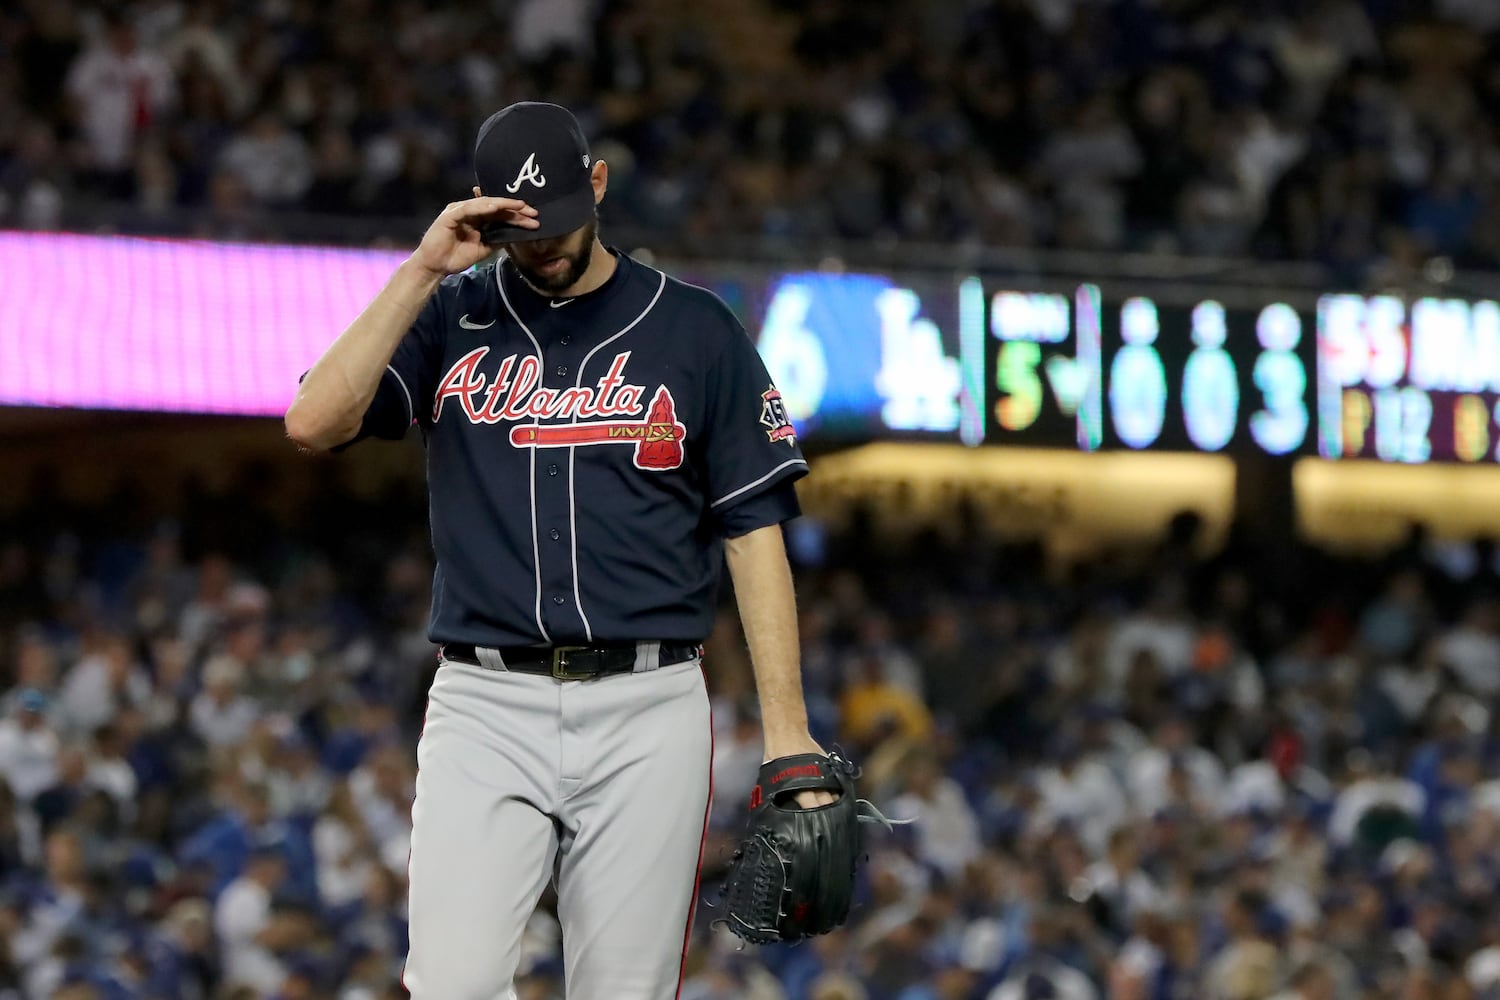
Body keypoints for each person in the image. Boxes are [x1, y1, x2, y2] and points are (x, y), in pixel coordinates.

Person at [285, 101, 830, 999]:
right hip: (484, 700)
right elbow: (312, 420)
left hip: (647, 703)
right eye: (523, 228)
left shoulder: (695, 331)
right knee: (450, 986)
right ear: (485, 210)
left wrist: (787, 733)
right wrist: (421, 270)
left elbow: (753, 528)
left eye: (563, 223)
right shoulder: (447, 312)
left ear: (600, 186)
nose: (546, 246)